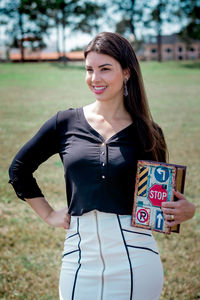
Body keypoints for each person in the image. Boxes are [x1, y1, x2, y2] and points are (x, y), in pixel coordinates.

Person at [8, 32, 195, 300]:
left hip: (135, 258)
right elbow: (19, 169)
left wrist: (184, 210)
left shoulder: (149, 133)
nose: (95, 79)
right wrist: (48, 214)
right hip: (78, 256)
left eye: (105, 69)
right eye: (89, 70)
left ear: (127, 72)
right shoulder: (65, 122)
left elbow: (158, 203)